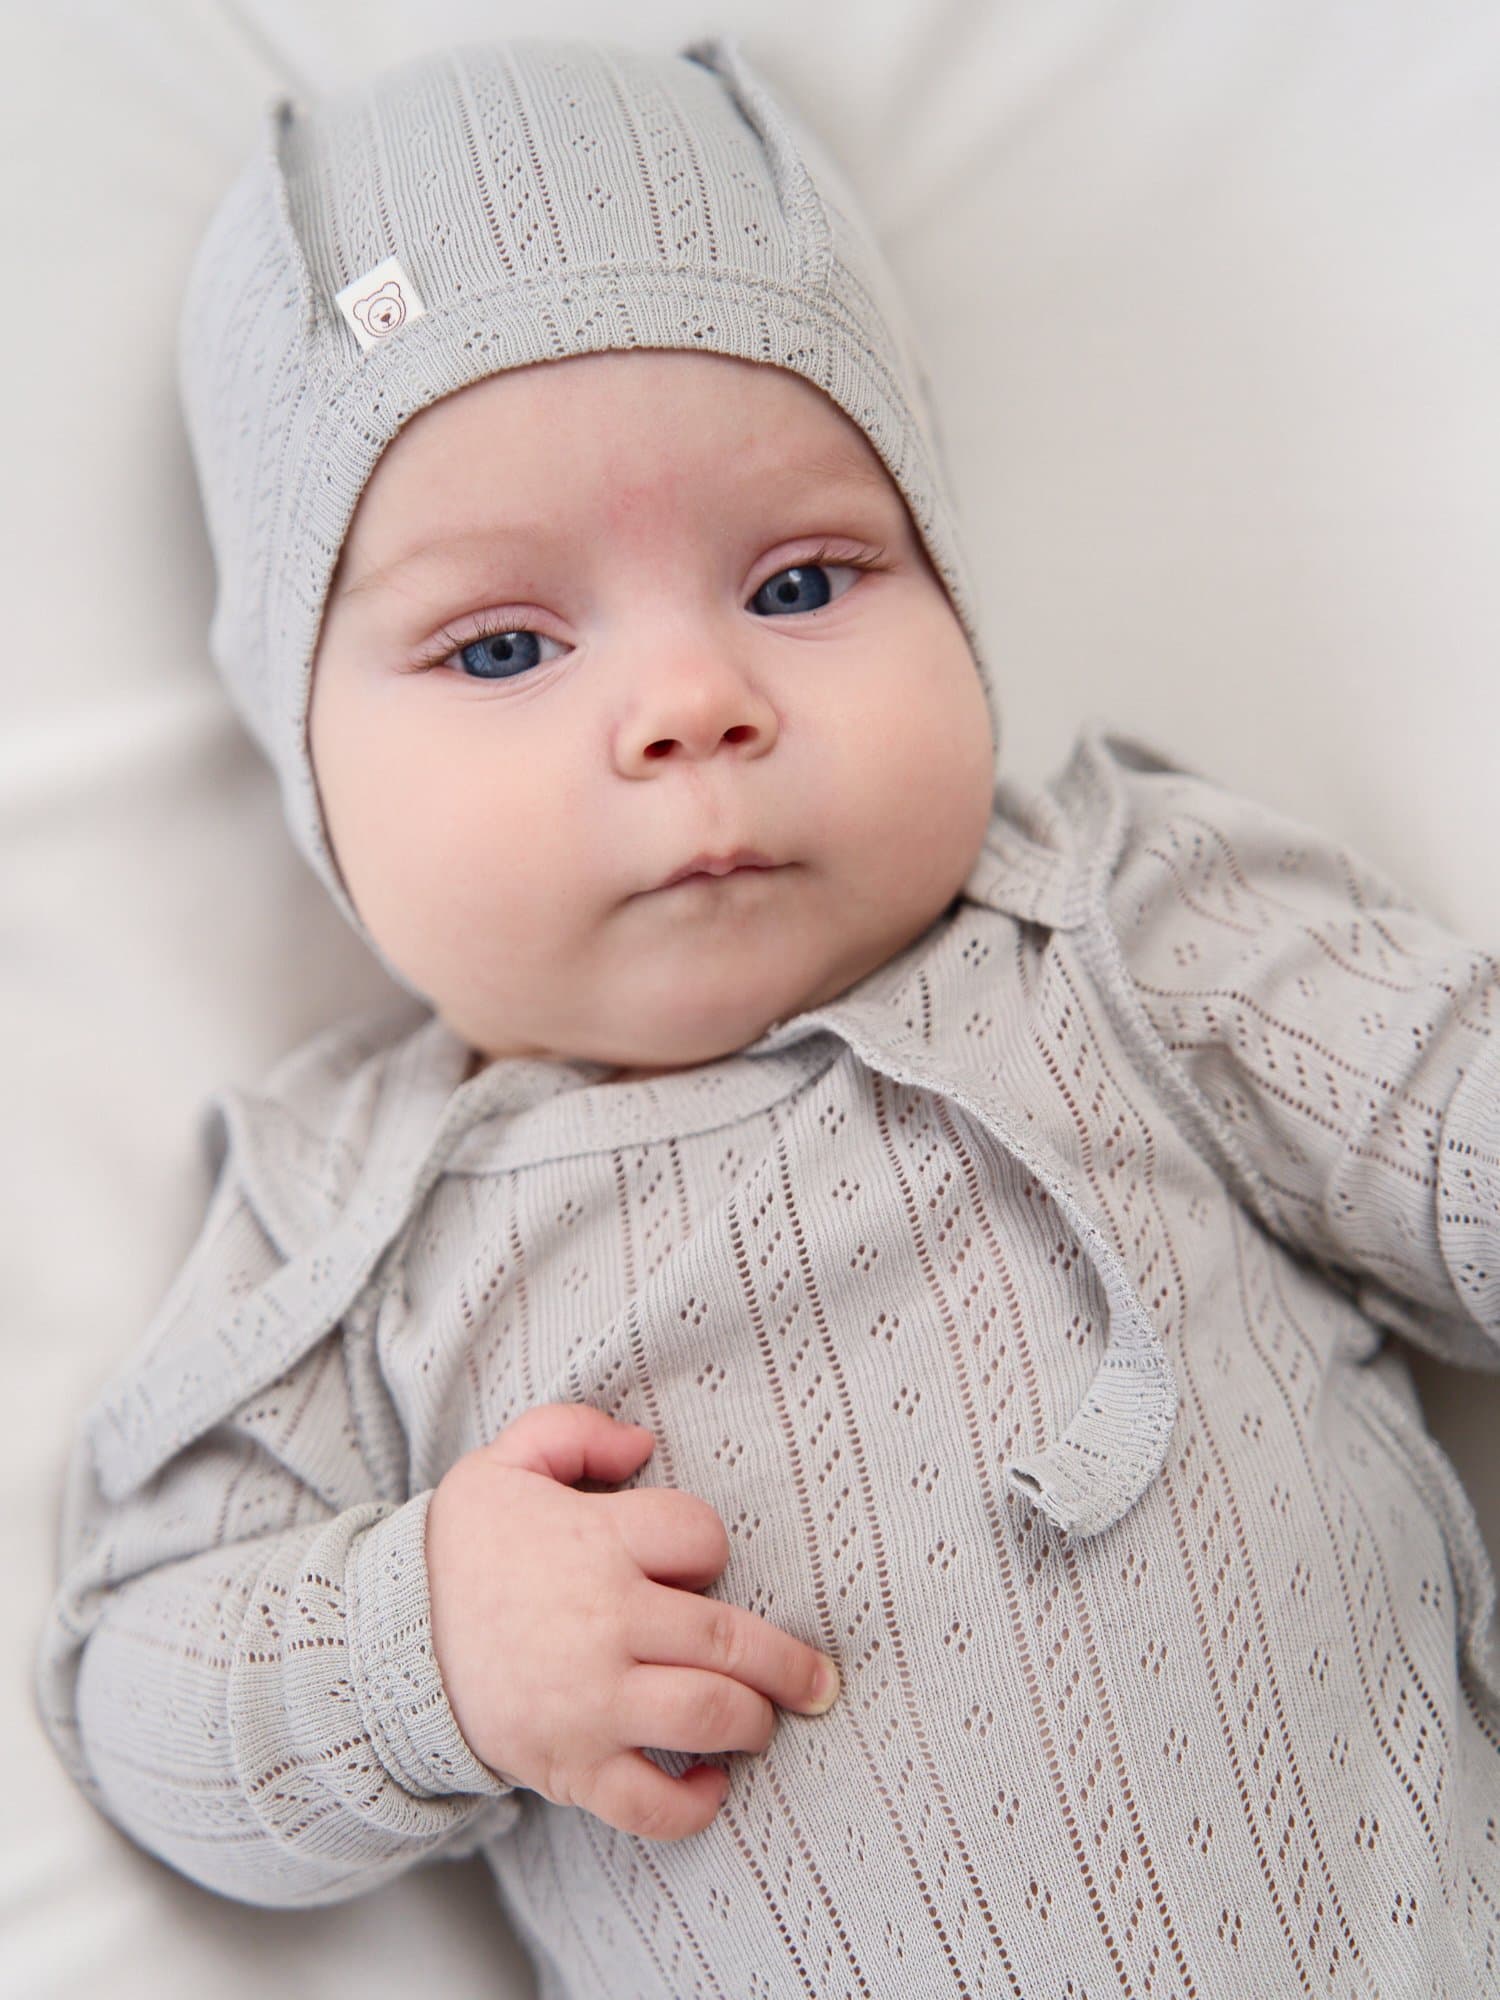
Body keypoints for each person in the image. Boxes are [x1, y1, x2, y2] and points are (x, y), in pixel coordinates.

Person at [34, 30, 1500, 1997]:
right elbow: (139, 1687)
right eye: (502, 645)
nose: (690, 703)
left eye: (801, 585)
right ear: (307, 758)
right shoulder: (353, 1213)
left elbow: (1447, 1109)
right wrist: (422, 1654)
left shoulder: (1125, 930)